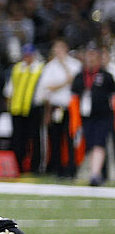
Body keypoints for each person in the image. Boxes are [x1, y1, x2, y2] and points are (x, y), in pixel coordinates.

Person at [71, 46, 115, 186]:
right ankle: (95, 173)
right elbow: (74, 96)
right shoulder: (79, 76)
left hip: (103, 116)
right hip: (86, 116)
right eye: (88, 56)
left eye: (93, 56)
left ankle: (95, 174)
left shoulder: (106, 76)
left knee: (99, 143)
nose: (90, 59)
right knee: (90, 144)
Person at [37, 39, 81, 177]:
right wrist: (63, 83)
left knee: (70, 138)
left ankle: (71, 168)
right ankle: (56, 168)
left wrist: (63, 68)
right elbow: (47, 87)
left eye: (60, 48)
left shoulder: (75, 64)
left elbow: (75, 82)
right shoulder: (50, 66)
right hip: (55, 107)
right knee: (55, 138)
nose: (58, 51)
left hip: (70, 107)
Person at [4, 43, 44, 173]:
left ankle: (34, 166)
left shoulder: (39, 68)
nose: (27, 57)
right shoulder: (17, 68)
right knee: (17, 138)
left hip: (33, 108)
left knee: (33, 138)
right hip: (17, 108)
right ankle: (17, 165)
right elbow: (10, 88)